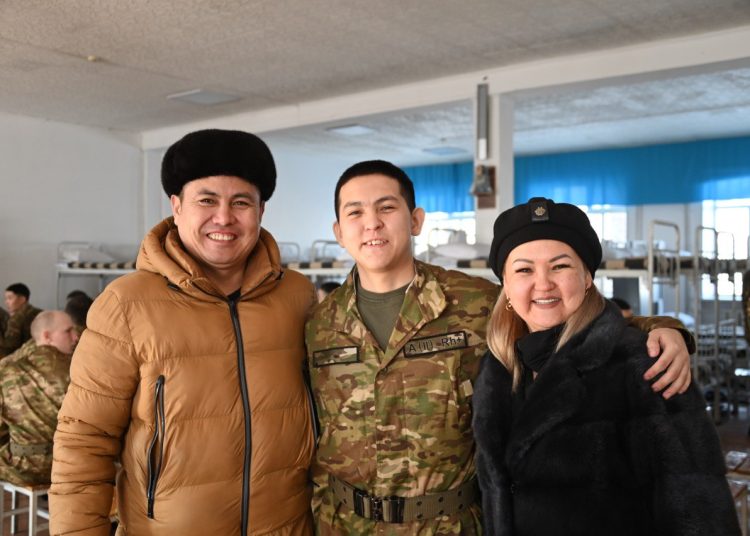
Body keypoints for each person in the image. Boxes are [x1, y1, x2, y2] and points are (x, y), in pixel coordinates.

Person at [305, 161, 695, 534]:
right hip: (343, 524)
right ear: (339, 231)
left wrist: (664, 328)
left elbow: (559, 313)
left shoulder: (473, 302)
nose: (372, 222)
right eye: (355, 212)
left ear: (416, 220)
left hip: (450, 526)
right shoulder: (317, 323)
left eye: (386, 207)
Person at [50, 129, 317, 536]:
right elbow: (84, 440)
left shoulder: (297, 296)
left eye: (241, 202)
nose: (224, 218)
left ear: (261, 210)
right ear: (176, 207)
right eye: (206, 200)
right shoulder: (126, 304)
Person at [473, 197, 739, 535]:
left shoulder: (644, 365)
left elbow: (699, 511)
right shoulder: (496, 369)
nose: (543, 283)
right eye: (524, 269)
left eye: (560, 266)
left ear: (587, 278)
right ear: (505, 285)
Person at [0, 310, 78, 485]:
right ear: (47, 336)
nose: (75, 337)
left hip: (21, 468)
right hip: (71, 465)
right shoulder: (79, 370)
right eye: (68, 331)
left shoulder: (9, 371)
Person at [0, 283, 42, 357]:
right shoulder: (41, 313)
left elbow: (9, 348)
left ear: (22, 299)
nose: (6, 302)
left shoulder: (16, 319)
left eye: (10, 298)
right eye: (6, 299)